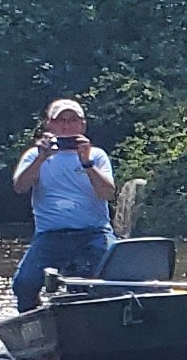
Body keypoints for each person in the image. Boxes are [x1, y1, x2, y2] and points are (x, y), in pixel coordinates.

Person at [9, 99, 122, 311]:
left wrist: (86, 162)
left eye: (72, 120)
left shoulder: (96, 156)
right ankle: (36, 325)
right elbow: (20, 187)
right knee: (24, 284)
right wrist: (41, 158)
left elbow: (107, 193)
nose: (66, 126)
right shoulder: (34, 155)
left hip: (94, 233)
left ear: (82, 125)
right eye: (60, 120)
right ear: (50, 125)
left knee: (115, 280)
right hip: (51, 236)